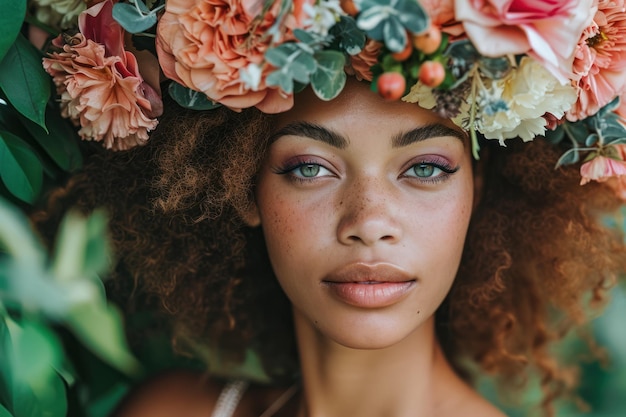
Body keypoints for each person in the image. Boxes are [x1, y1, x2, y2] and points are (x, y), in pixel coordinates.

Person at [30, 0, 626, 416]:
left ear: (478, 193)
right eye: (309, 167)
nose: (368, 222)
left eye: (425, 169)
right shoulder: (173, 411)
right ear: (243, 190)